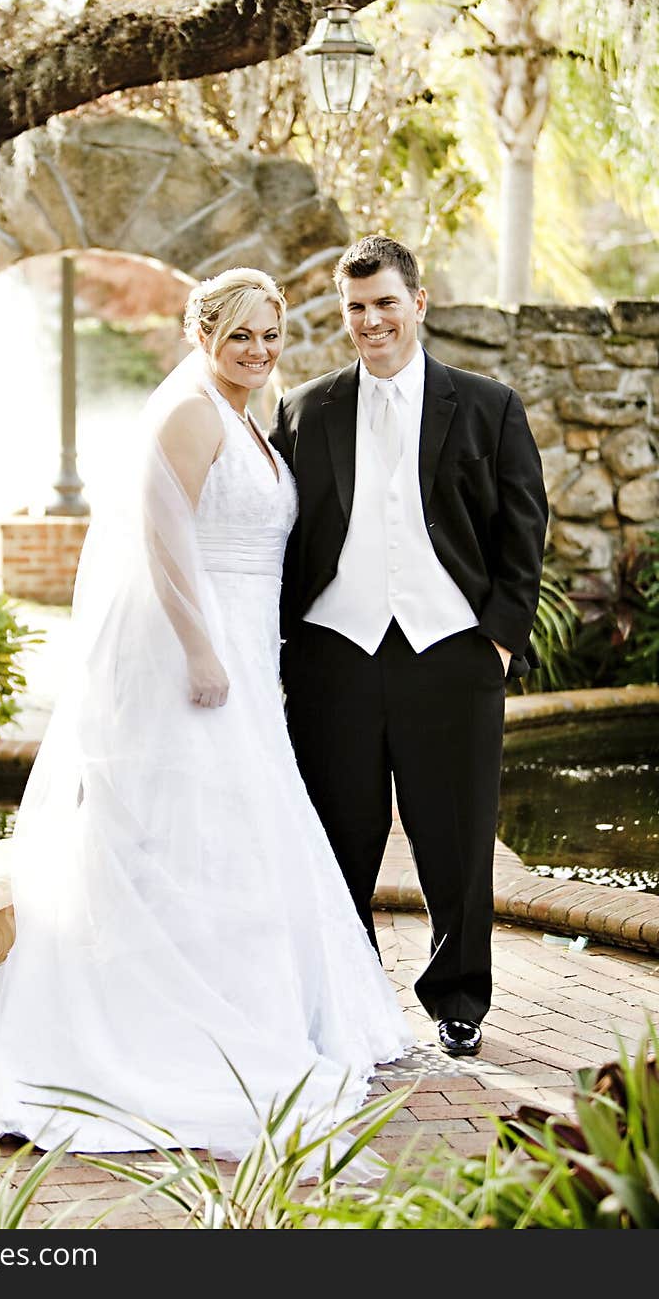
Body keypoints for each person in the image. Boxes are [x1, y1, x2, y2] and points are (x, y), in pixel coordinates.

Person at [0, 268, 413, 1158]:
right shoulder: (187, 413)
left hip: (252, 656)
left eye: (270, 334)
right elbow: (161, 536)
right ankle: (171, 1029)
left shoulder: (253, 421)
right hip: (200, 657)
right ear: (202, 336)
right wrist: (202, 651)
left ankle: (265, 1009)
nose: (257, 350)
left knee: (250, 832)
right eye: (240, 335)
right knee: (195, 833)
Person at [269, 236, 548, 1059]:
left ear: (417, 304)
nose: (371, 321)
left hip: (453, 656)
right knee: (340, 837)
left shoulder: (488, 404)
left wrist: (497, 642)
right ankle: (351, 997)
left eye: (386, 303)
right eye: (356, 308)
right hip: (334, 656)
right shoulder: (306, 409)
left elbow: (523, 530)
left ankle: (458, 997)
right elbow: (284, 537)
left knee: (456, 838)